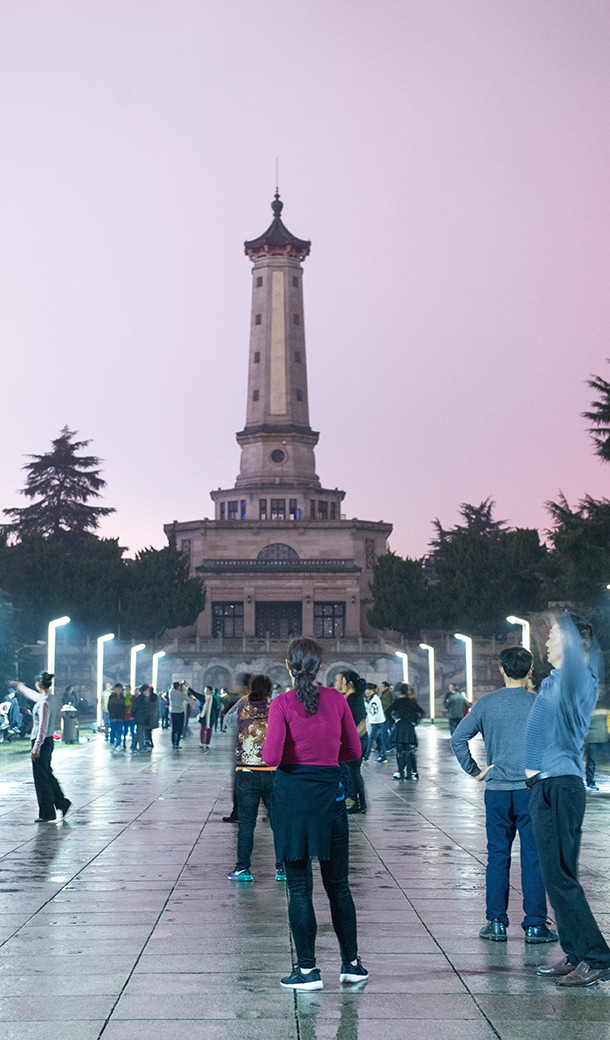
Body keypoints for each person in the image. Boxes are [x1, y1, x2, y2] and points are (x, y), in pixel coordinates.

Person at [263, 638, 368, 991]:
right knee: (338, 885)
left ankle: (307, 970)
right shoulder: (337, 700)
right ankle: (351, 964)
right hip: (329, 798)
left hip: (292, 800)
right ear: (319, 667)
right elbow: (353, 750)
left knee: (299, 888)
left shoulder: (282, 703)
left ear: (288, 666)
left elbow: (271, 757)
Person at [451, 646, 558, 944]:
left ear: (501, 669)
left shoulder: (486, 704)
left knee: (497, 855)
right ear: (530, 670)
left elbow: (458, 739)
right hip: (531, 791)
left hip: (497, 791)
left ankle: (496, 923)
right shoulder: (541, 705)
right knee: (533, 857)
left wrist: (475, 771)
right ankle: (535, 925)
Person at [525, 613, 610, 986]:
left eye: (553, 636)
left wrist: (566, 624)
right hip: (545, 784)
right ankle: (576, 953)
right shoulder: (554, 681)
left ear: (573, 644)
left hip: (562, 784)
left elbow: (582, 657)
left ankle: (598, 957)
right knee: (554, 875)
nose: (545, 642)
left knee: (561, 875)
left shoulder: (577, 679)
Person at [227, 674, 284, 882]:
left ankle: (243, 869)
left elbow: (226, 721)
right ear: (270, 691)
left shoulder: (241, 711)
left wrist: (244, 700)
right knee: (279, 823)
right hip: (272, 772)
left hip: (246, 774)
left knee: (246, 825)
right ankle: (282, 868)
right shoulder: (276, 710)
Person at [16, 672, 71, 822]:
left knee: (41, 780)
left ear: (39, 684)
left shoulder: (44, 703)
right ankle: (62, 803)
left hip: (41, 742)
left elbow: (42, 727)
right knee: (47, 775)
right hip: (46, 742)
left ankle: (47, 813)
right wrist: (22, 688)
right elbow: (35, 696)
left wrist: (36, 747)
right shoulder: (49, 698)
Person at [335, 670, 367, 815]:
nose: (338, 683)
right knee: (350, 772)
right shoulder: (348, 697)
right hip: (351, 741)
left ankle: (359, 803)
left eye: (341, 680)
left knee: (354, 772)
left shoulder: (355, 699)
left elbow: (362, 724)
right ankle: (355, 801)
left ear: (349, 683)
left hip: (357, 742)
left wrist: (350, 741)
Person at [390, 684, 424, 781]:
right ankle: (410, 773)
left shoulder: (398, 702)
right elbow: (421, 712)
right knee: (409, 752)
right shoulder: (411, 702)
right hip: (409, 728)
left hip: (399, 728)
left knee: (399, 752)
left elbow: (387, 712)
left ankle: (400, 772)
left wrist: (394, 721)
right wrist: (415, 722)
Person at [584, 693, 609, 790]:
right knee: (591, 762)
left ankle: (590, 782)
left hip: (599, 738)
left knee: (591, 762)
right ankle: (590, 782)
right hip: (596, 738)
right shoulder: (588, 707)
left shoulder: (587, 708)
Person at [169, 681, 199, 749]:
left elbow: (171, 688)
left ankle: (173, 742)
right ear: (179, 687)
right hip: (180, 712)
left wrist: (179, 685)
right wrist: (197, 706)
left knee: (174, 728)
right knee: (180, 728)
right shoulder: (181, 694)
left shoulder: (171, 692)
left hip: (173, 712)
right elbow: (189, 700)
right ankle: (177, 743)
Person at [362, 684, 387, 763]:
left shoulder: (375, 700)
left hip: (377, 723)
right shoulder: (373, 698)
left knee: (371, 740)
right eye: (366, 690)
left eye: (369, 690)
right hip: (378, 722)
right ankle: (383, 756)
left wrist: (365, 704)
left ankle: (366, 756)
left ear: (373, 691)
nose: (367, 692)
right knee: (379, 741)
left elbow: (373, 711)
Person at [131, 684, 151, 752]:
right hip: (141, 718)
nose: (148, 691)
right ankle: (141, 747)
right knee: (141, 733)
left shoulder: (140, 698)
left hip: (140, 717)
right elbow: (135, 708)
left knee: (139, 733)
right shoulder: (142, 699)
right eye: (147, 690)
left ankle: (133, 746)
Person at [107, 684, 126, 750]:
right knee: (113, 730)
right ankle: (112, 741)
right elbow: (110, 707)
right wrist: (112, 714)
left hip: (120, 717)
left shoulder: (123, 697)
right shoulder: (112, 697)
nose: (119, 689)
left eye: (120, 688)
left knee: (119, 731)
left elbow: (124, 707)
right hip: (113, 717)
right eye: (118, 688)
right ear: (115, 689)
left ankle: (118, 744)